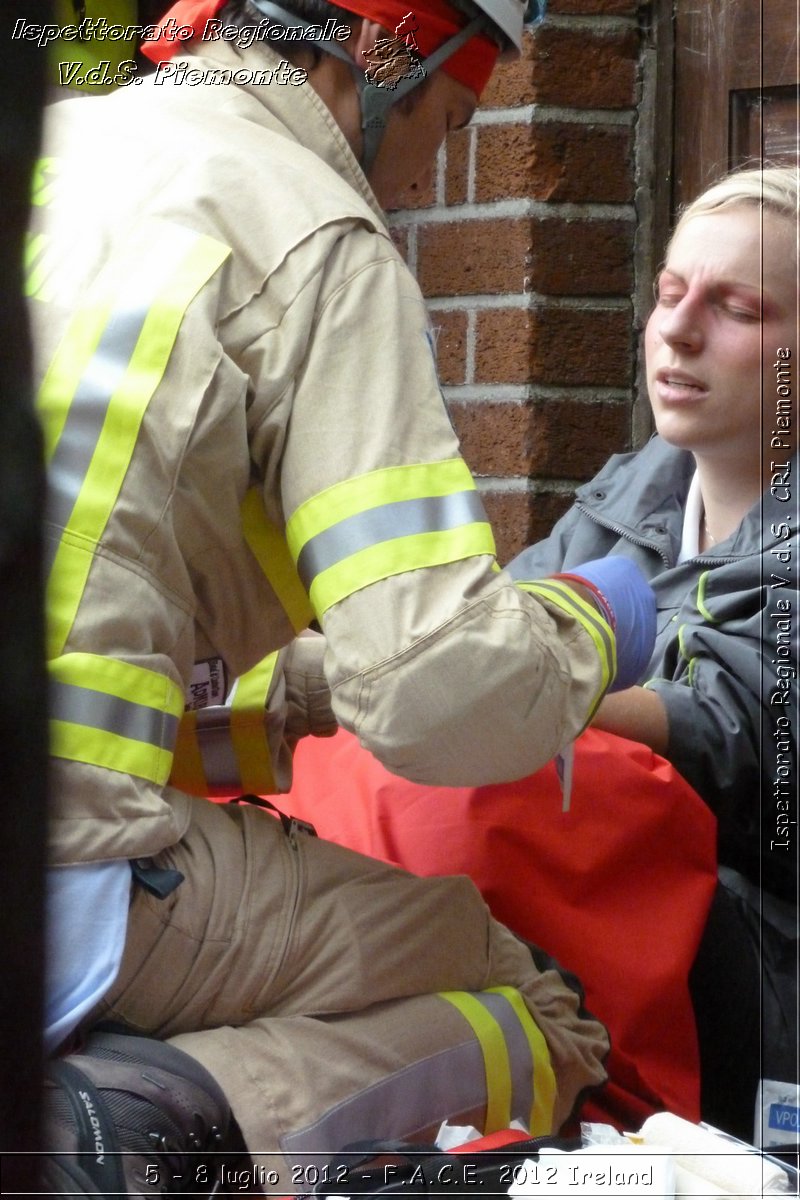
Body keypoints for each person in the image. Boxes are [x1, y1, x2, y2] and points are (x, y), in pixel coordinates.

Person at [29, 0, 658, 1192]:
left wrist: (307, 691)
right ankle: (121, 1136)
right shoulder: (315, 233)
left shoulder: (62, 152)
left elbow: (85, 642)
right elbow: (439, 702)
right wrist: (582, 627)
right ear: (384, 65)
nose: (424, 182)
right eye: (451, 123)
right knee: (525, 993)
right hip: (56, 889)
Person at [508, 164, 799, 1143]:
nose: (676, 331)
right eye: (669, 293)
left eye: (734, 307)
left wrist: (502, 684)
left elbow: (738, 730)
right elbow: (498, 629)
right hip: (619, 993)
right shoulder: (628, 495)